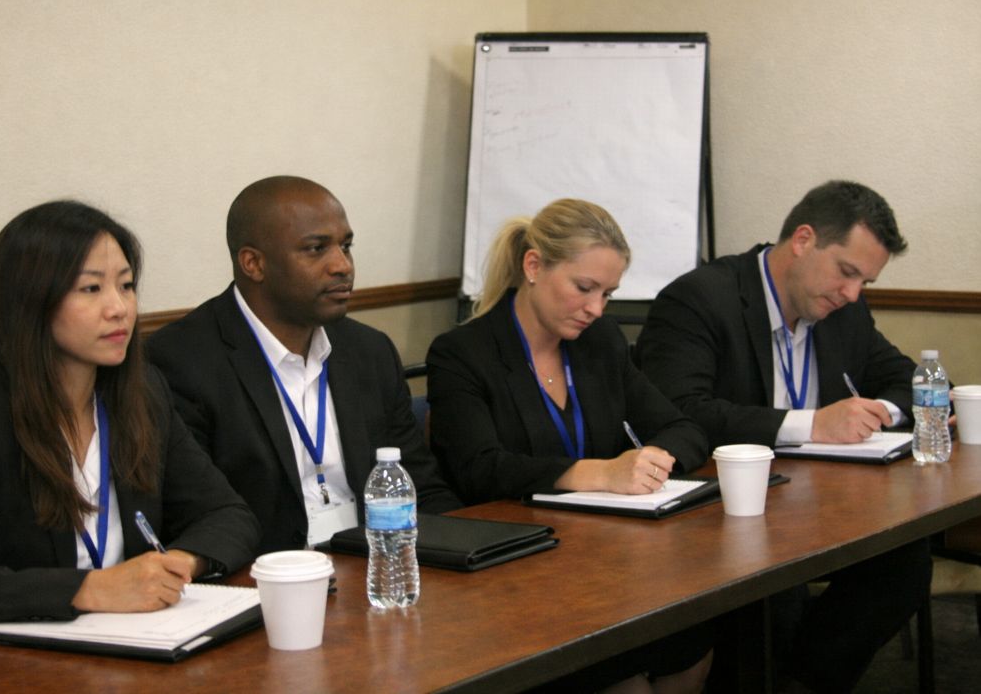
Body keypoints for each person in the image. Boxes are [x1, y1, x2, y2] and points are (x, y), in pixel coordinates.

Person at [0, 201, 259, 647]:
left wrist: (176, 565)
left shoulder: (141, 394)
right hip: (13, 662)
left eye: (127, 286)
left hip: (136, 646)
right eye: (91, 289)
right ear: (29, 300)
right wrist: (92, 589)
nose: (119, 309)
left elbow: (228, 514)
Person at [637, 180, 931, 692]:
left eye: (865, 281)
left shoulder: (844, 311)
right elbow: (680, 412)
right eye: (847, 272)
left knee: (903, 561)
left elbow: (905, 379)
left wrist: (875, 412)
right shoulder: (700, 299)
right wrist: (813, 424)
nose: (853, 293)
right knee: (777, 584)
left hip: (820, 502)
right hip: (722, 512)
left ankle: (803, 683)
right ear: (803, 240)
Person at [427, 199, 711, 693]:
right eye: (584, 288)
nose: (597, 309)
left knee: (695, 643)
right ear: (534, 266)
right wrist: (596, 474)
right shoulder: (463, 354)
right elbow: (479, 469)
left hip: (605, 561)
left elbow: (683, 428)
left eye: (608, 293)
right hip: (519, 572)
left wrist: (651, 461)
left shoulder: (599, 342)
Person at [147, 176, 460, 553]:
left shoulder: (369, 351)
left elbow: (419, 484)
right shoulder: (181, 360)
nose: (342, 265)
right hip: (266, 579)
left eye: (346, 246)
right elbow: (196, 517)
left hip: (373, 565)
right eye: (316, 249)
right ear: (254, 263)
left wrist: (470, 553)